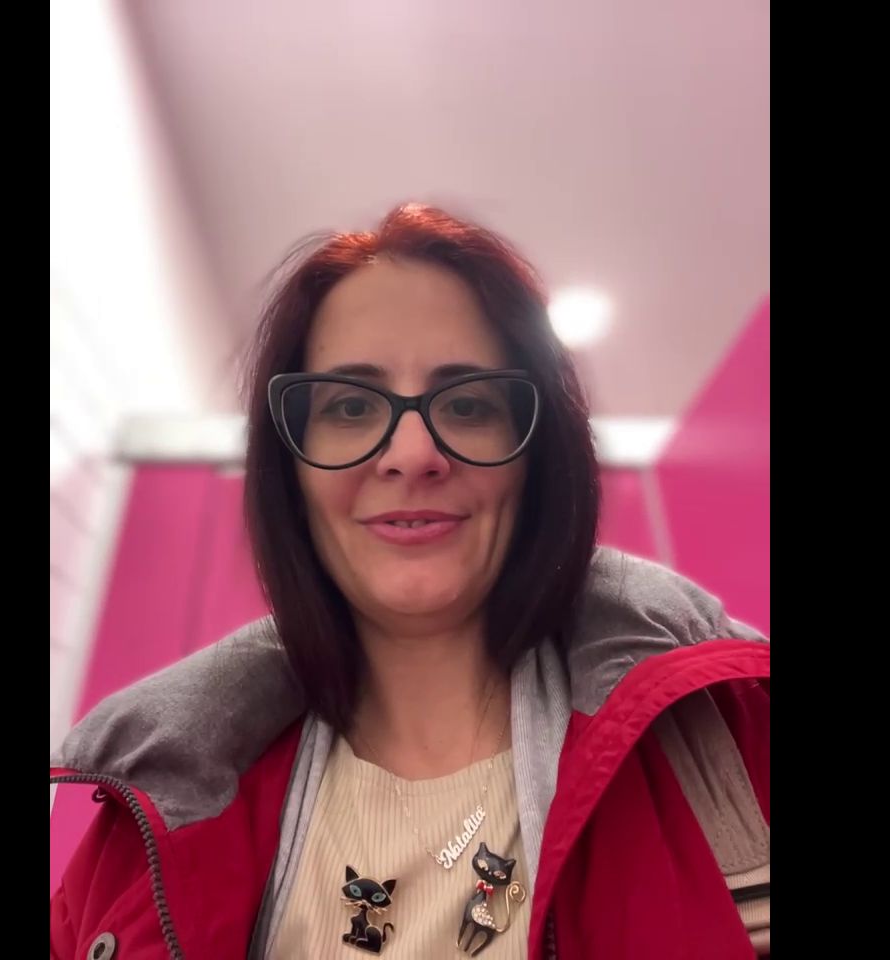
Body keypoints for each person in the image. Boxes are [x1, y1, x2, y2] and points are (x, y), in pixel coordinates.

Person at [50, 203, 769, 960]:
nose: (413, 454)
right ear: (290, 471)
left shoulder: (739, 737)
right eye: (351, 406)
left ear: (536, 459)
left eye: (468, 404)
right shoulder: (134, 838)